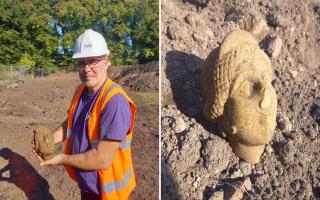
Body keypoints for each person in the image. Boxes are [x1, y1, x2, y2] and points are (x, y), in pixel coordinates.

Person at [32, 29, 136, 200]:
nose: (86, 69)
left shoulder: (114, 103)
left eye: (92, 61)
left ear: (106, 62)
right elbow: (72, 123)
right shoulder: (81, 91)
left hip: (107, 192)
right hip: (87, 185)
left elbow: (102, 159)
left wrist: (62, 159)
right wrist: (48, 139)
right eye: (81, 63)